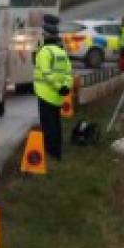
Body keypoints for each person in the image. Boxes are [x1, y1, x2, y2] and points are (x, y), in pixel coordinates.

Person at [33, 14, 74, 160]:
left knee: (48, 127)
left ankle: (50, 154)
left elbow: (46, 73)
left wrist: (57, 86)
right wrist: (65, 87)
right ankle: (57, 153)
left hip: (45, 94)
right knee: (56, 126)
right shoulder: (61, 52)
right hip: (58, 97)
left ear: (46, 35)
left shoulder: (44, 52)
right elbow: (69, 72)